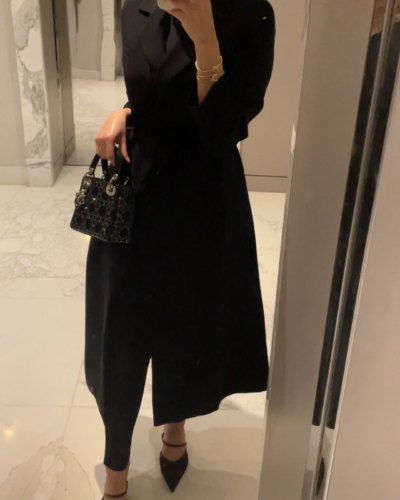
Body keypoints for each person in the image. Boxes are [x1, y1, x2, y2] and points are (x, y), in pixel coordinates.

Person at [87, 0, 275, 497]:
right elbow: (150, 96)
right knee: (120, 332)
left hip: (204, 200)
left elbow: (222, 130)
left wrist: (205, 37)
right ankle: (115, 468)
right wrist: (124, 110)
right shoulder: (138, 6)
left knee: (188, 325)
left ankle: (176, 428)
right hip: (135, 191)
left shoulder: (252, 13)